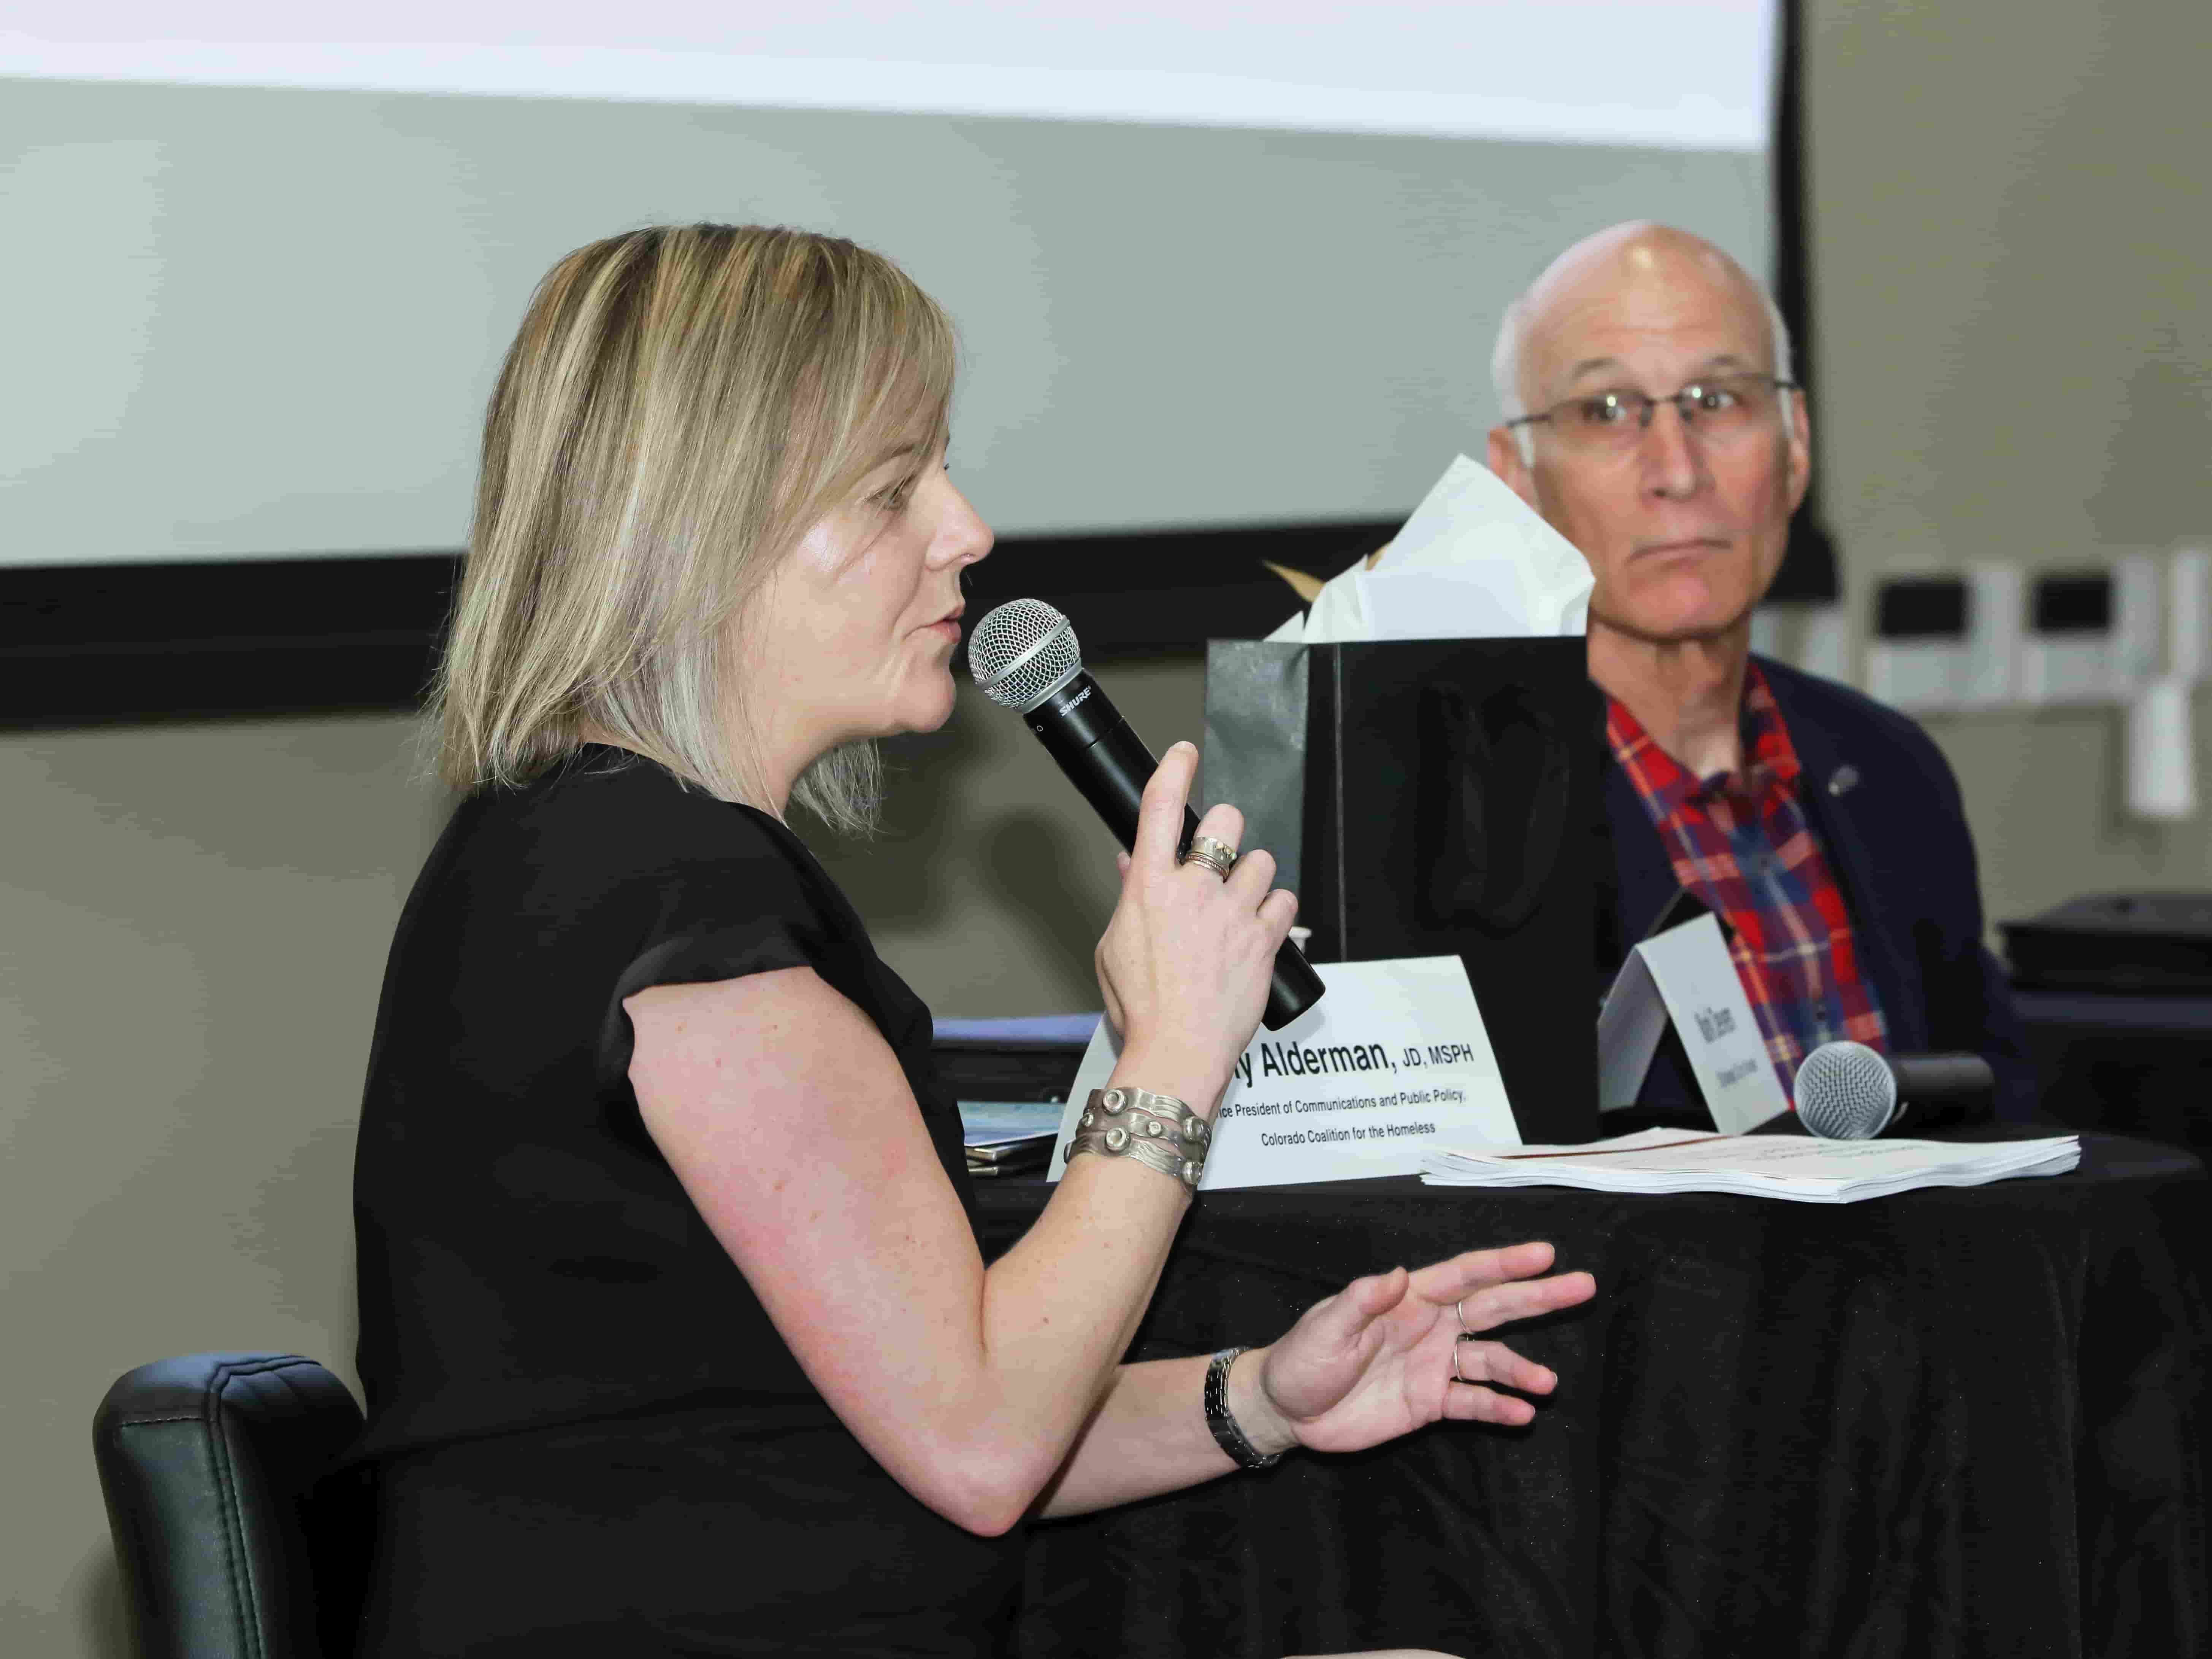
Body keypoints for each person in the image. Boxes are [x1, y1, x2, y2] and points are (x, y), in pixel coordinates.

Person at [346, 222, 1595, 1659]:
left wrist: (1259, 1396)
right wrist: (1177, 1054)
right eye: (892, 489)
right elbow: (984, 1443)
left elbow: (919, 1401)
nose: (964, 529)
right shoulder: (663, 906)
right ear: (703, 530)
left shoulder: (597, 855)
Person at [1481, 220, 2036, 1119]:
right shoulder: (1467, 812)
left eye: (1718, 399)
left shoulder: (1886, 768)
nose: (1675, 468)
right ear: (1517, 480)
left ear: (1796, 445)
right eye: (1606, 412)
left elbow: (2002, 1120)